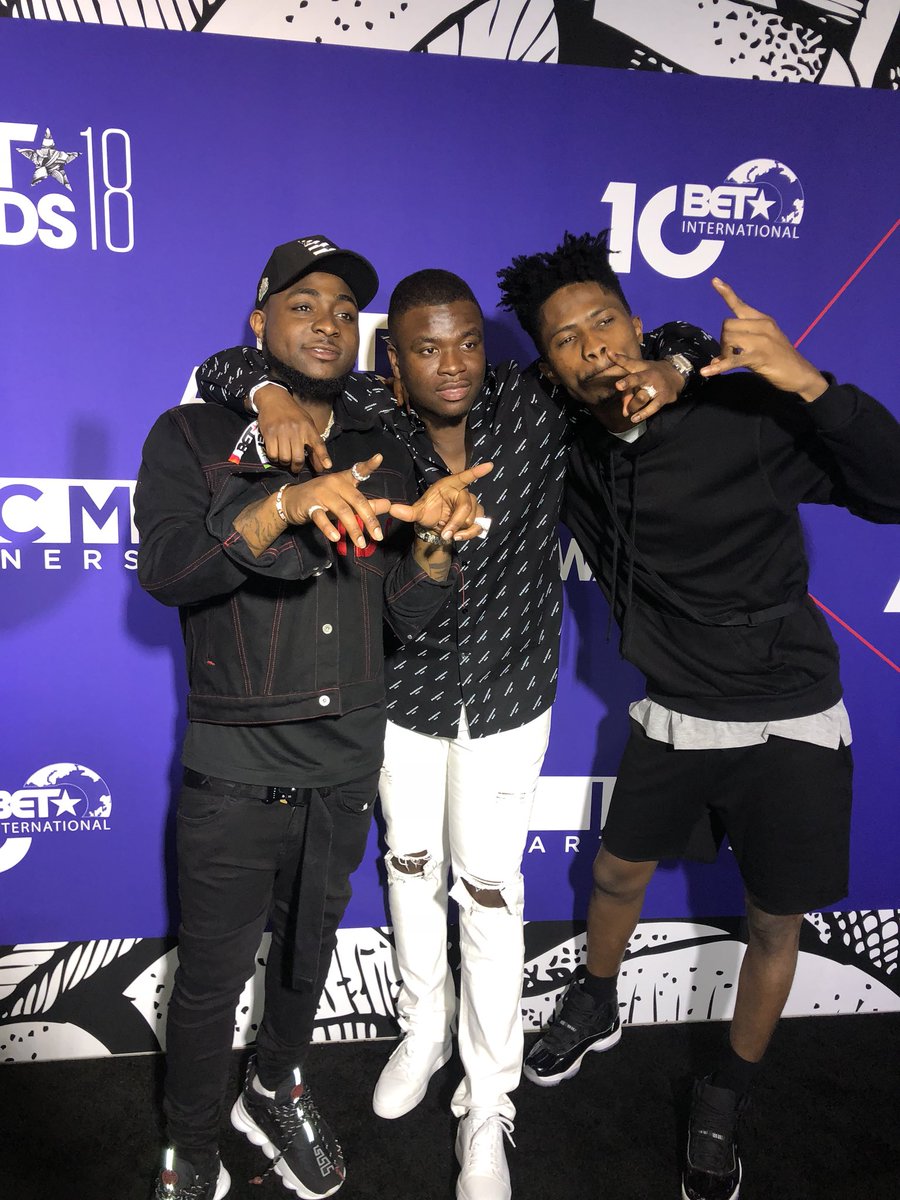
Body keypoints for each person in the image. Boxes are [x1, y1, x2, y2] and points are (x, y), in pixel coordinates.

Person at [194, 269, 715, 1200]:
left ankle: (488, 1100)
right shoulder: (365, 412)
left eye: (469, 342)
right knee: (409, 867)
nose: (454, 365)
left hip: (511, 694)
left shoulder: (536, 401)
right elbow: (225, 366)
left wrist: (671, 367)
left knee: (490, 892)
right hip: (403, 692)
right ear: (393, 361)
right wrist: (270, 394)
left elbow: (677, 338)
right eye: (428, 348)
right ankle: (425, 1029)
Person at [496, 230, 900, 1200]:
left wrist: (809, 383)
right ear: (549, 368)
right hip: (675, 710)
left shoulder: (741, 413)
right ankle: (597, 1000)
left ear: (635, 324)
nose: (593, 345)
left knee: (773, 923)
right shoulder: (566, 448)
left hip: (790, 717)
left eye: (605, 321)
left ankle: (726, 1091)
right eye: (565, 338)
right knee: (615, 871)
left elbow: (892, 492)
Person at [136, 235, 493, 1200]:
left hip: (345, 762)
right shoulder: (192, 435)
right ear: (260, 323)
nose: (328, 322)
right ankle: (190, 1140)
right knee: (211, 977)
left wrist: (434, 549)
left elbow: (401, 617)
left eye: (343, 309)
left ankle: (274, 1086)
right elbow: (169, 573)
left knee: (306, 956)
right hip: (236, 765)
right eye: (303, 305)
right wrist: (285, 504)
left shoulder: (383, 447)